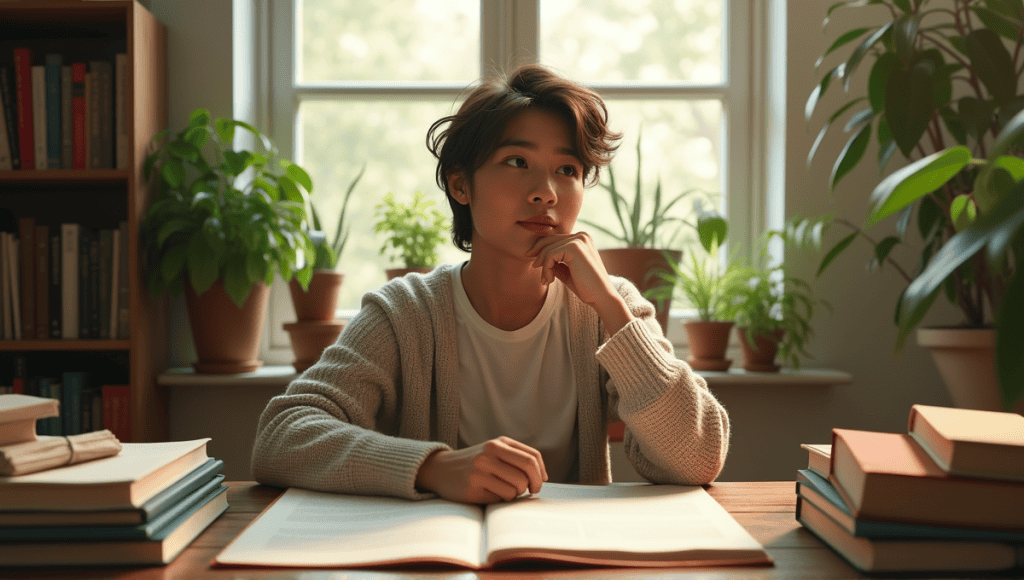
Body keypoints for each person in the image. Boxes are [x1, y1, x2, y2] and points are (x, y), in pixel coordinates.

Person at [251, 63, 730, 504]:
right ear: (461, 185)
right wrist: (433, 468)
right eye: (517, 161)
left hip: (570, 558)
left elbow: (699, 459)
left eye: (567, 170)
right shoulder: (405, 313)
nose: (545, 190)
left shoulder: (611, 306)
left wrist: (609, 305)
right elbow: (281, 436)